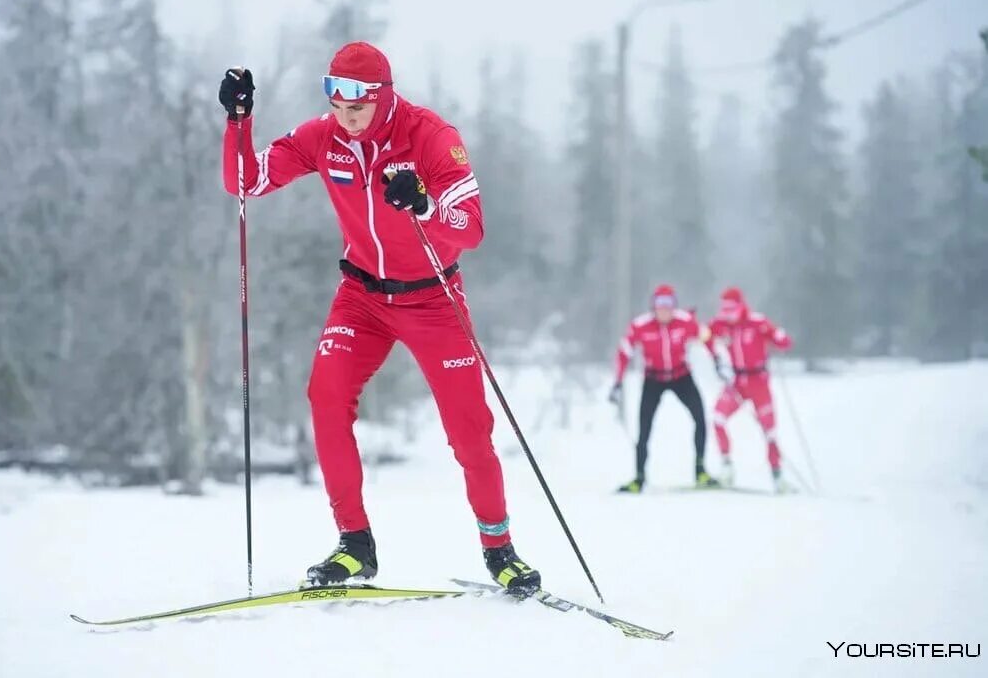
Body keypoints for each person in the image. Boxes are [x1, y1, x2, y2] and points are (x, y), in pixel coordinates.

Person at [216, 41, 540, 593]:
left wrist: (425, 206)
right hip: (361, 297)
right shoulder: (325, 137)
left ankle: (499, 548)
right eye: (338, 104)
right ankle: (354, 545)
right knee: (325, 396)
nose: (348, 116)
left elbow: (472, 227)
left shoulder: (432, 136)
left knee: (469, 430)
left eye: (359, 105)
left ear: (384, 96)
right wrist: (238, 122)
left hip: (432, 299)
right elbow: (246, 182)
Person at [609, 284, 719, 492]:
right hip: (654, 379)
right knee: (644, 427)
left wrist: (718, 360)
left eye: (668, 304)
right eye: (660, 304)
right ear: (653, 306)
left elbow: (707, 337)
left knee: (700, 417)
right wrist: (617, 382)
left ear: (674, 306)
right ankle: (639, 477)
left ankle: (700, 471)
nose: (664, 310)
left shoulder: (685, 322)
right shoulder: (641, 325)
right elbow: (624, 352)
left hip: (681, 375)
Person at [704, 287, 794, 492]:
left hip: (758, 382)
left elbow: (782, 341)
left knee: (769, 430)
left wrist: (779, 337)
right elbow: (704, 336)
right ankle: (727, 467)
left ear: (741, 306)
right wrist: (717, 360)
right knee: (718, 418)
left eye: (731, 308)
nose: (728, 313)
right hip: (736, 382)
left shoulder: (757, 322)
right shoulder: (721, 324)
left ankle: (777, 476)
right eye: (724, 308)